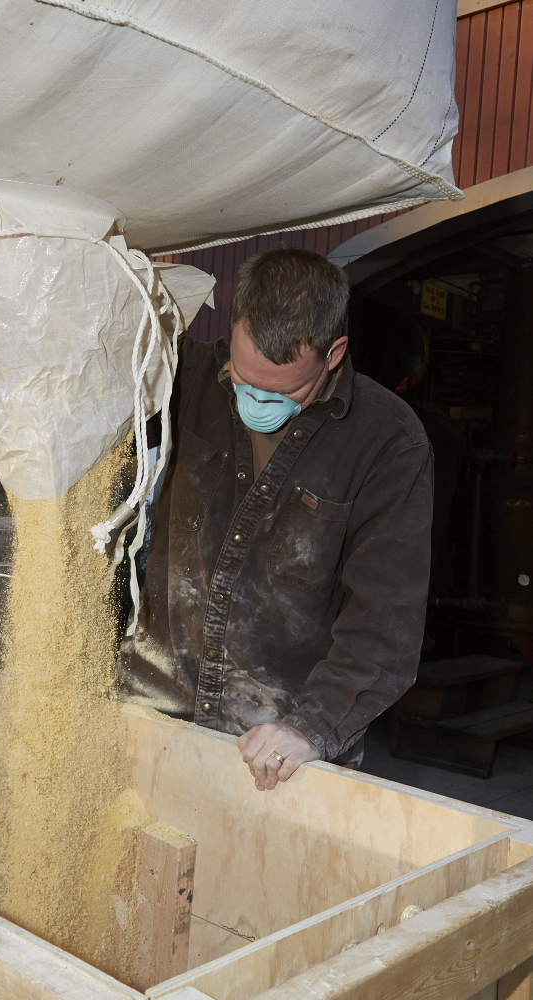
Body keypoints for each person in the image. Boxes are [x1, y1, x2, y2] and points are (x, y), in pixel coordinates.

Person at [118, 248, 433, 791]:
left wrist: (313, 727)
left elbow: (385, 622)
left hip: (279, 750)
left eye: (283, 390)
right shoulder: (183, 378)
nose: (256, 399)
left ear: (334, 353)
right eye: (242, 377)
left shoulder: (389, 444)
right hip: (151, 705)